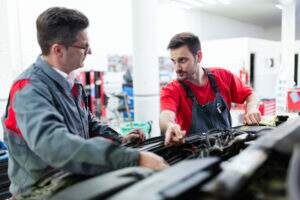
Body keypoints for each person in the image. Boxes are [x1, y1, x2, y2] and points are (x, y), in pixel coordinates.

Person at [1, 7, 167, 198]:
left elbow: (87, 123)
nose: (89, 51)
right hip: (40, 192)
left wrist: (119, 139)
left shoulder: (70, 81)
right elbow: (56, 145)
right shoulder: (28, 89)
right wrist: (133, 159)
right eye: (84, 47)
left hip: (71, 181)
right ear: (58, 50)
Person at [160, 32, 261, 146]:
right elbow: (166, 115)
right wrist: (170, 126)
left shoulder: (223, 76)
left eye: (182, 60)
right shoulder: (172, 89)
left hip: (226, 148)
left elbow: (251, 94)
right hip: (194, 156)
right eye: (174, 61)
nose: (177, 68)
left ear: (198, 57)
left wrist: (252, 108)